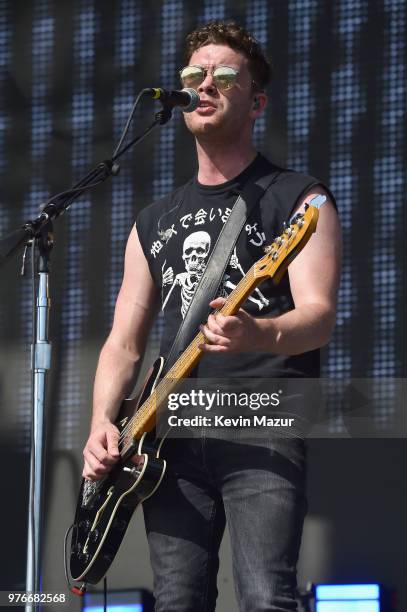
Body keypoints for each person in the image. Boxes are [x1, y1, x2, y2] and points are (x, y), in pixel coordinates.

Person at [82, 20, 341, 612]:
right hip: (166, 436)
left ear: (257, 101)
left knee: (265, 596)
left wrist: (259, 331)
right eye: (193, 75)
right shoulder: (152, 220)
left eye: (224, 76)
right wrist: (102, 420)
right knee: (176, 600)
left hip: (261, 423)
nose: (205, 84)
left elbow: (320, 315)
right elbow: (124, 342)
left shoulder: (300, 198)